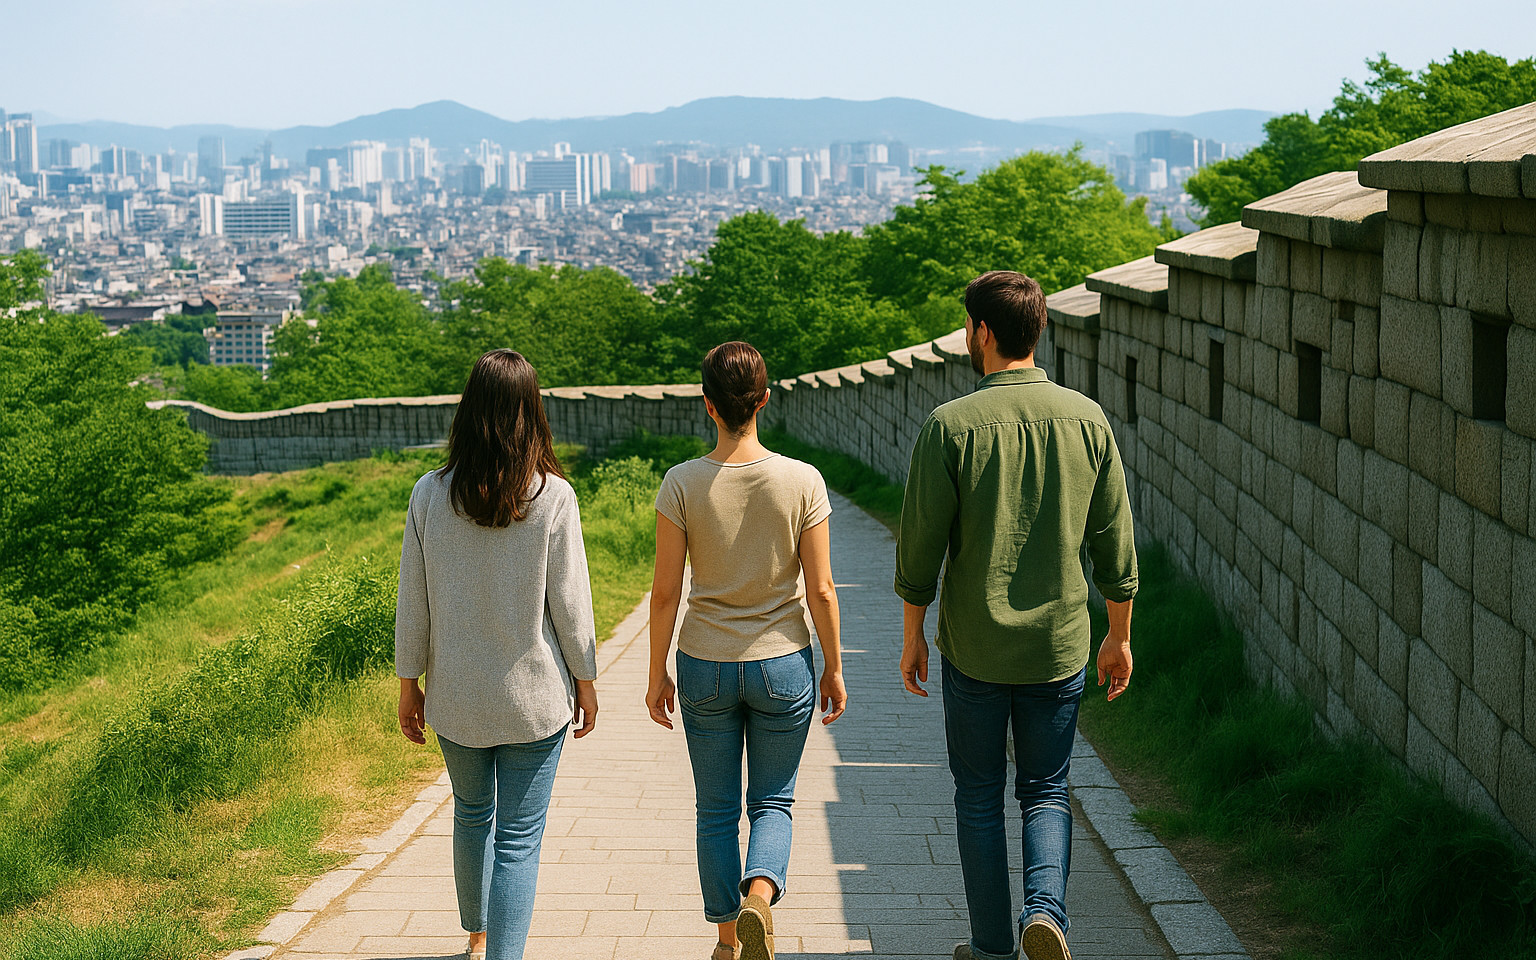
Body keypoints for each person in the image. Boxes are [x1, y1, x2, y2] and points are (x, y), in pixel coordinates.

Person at [894, 272, 1139, 960]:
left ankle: (991, 948)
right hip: (1057, 647)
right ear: (1041, 329)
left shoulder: (950, 427)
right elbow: (1115, 545)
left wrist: (913, 635)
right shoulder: (1088, 420)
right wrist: (1119, 638)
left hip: (973, 649)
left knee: (978, 795)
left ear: (983, 332)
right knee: (1047, 791)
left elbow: (919, 547)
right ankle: (1046, 916)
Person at [645, 341, 849, 960]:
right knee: (773, 801)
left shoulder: (681, 483)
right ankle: (760, 893)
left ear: (707, 405)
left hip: (704, 662)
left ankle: (728, 940)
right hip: (783, 662)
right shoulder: (803, 480)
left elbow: (664, 592)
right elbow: (821, 588)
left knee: (715, 810)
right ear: (764, 400)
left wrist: (656, 673)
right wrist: (834, 667)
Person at [395, 349, 600, 960]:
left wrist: (408, 683)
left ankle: (478, 935)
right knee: (518, 839)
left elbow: (413, 600)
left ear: (469, 410)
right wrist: (586, 680)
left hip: (457, 697)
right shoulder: (552, 496)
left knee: (470, 813)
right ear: (531, 412)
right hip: (534, 699)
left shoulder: (429, 494)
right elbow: (571, 604)